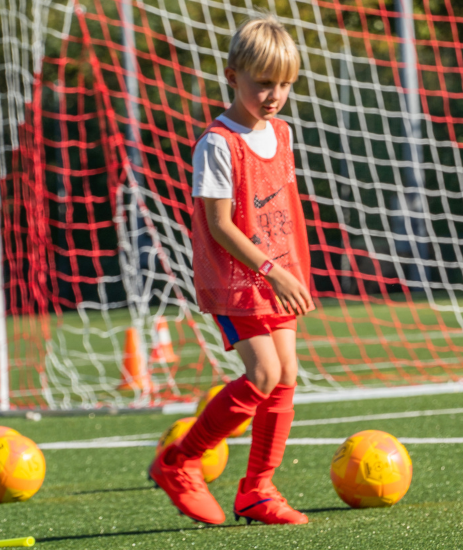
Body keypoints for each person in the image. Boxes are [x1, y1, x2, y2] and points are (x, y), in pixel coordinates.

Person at [151, 15, 314, 526]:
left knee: (285, 375)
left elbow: (282, 207)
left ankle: (257, 491)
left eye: (284, 84)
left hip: (278, 275)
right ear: (231, 75)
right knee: (263, 372)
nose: (273, 95)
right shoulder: (217, 143)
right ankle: (178, 462)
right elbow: (219, 225)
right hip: (239, 278)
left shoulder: (281, 132)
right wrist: (271, 270)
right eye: (263, 82)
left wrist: (290, 269)